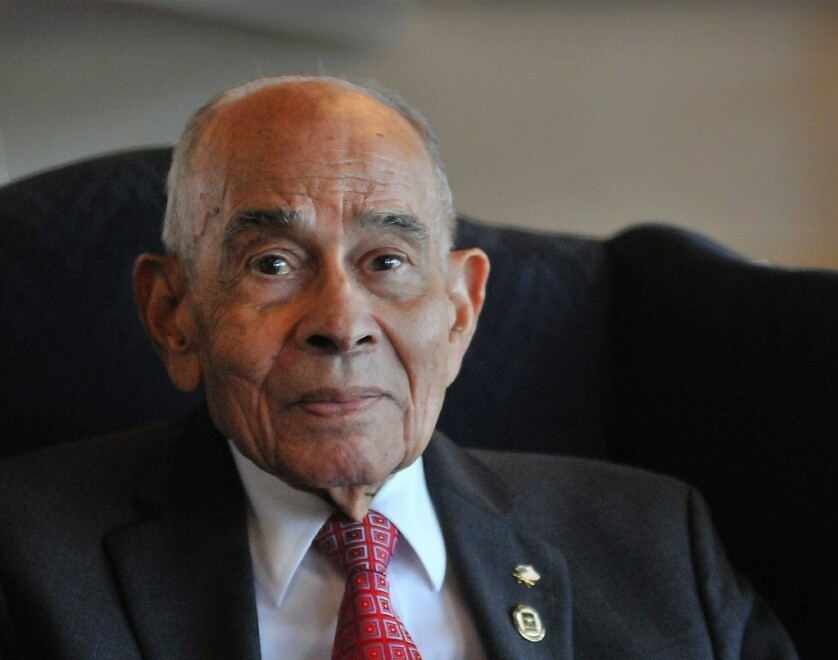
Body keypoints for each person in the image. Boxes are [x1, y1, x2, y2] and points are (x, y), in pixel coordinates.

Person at [0, 75, 797, 659]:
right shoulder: (29, 562)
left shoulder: (656, 545)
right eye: (273, 263)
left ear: (459, 311)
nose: (342, 324)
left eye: (386, 259)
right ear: (173, 315)